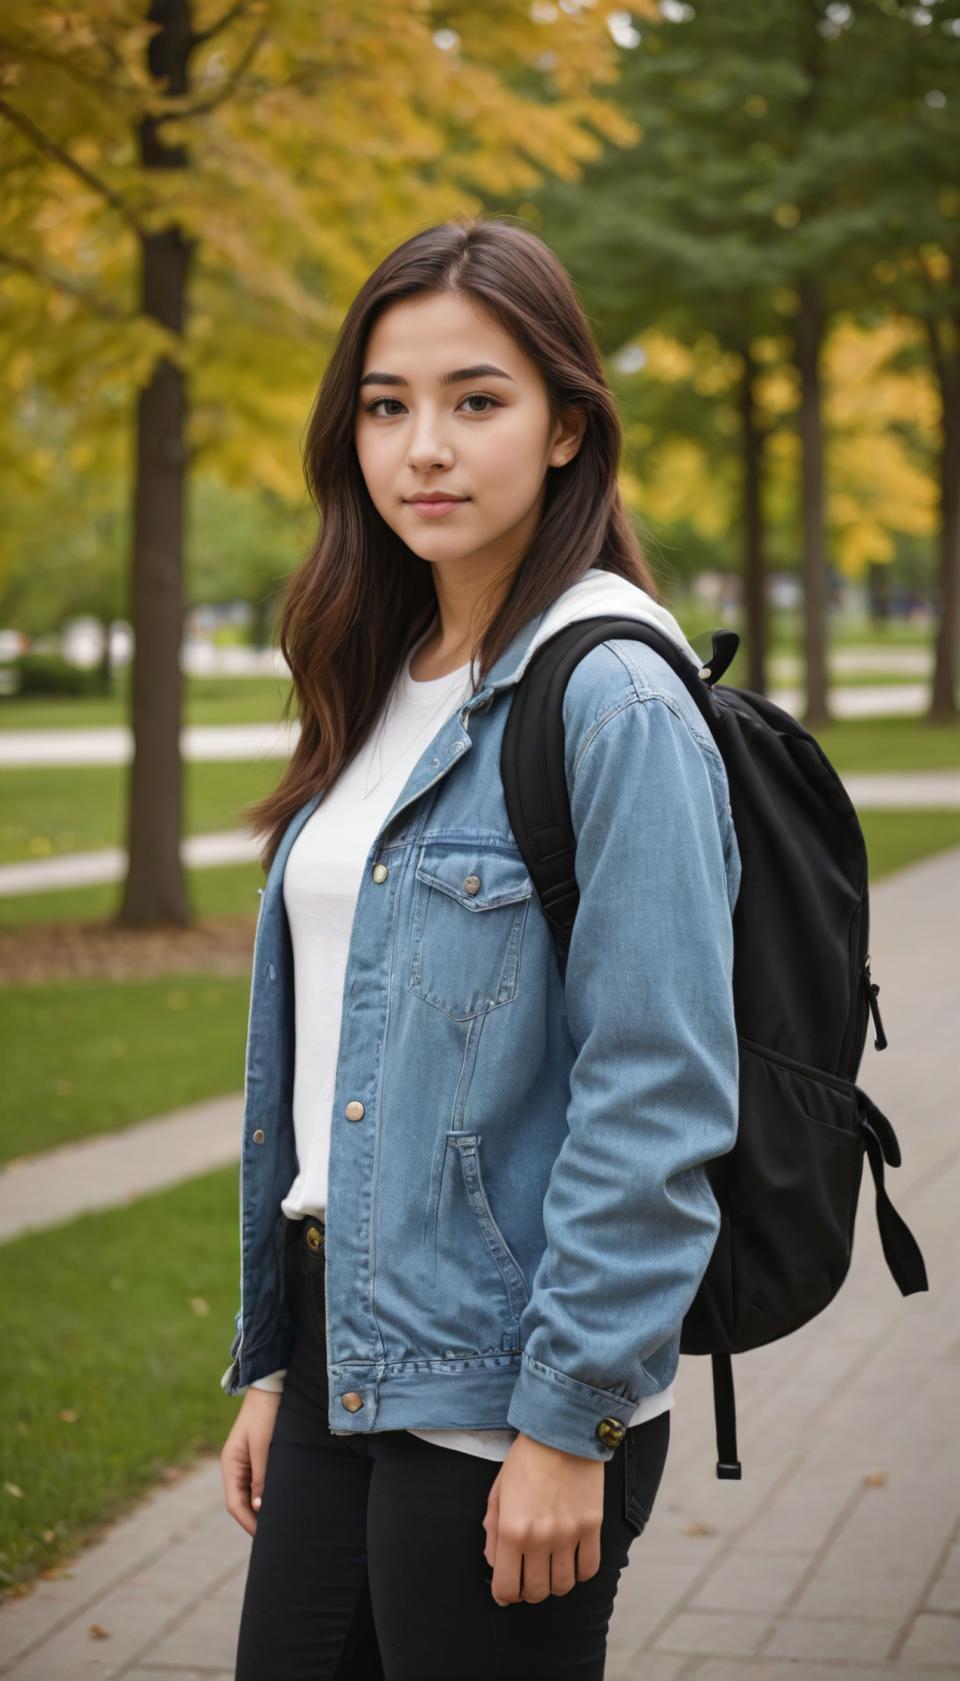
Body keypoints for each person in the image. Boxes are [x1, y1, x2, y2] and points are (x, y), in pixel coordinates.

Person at [220, 215, 741, 1681]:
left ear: (570, 426)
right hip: (343, 1358)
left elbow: (657, 1089)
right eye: (387, 405)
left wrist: (572, 1420)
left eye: (477, 400)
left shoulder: (612, 693)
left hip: (506, 1389)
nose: (423, 448)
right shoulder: (379, 672)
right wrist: (278, 1359)